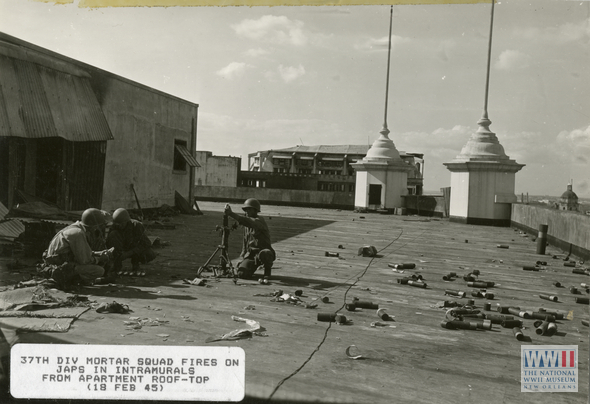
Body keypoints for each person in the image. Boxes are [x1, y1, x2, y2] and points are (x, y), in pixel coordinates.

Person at [42, 208, 113, 288]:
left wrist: (98, 253)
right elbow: (85, 260)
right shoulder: (78, 233)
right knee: (99, 270)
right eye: (98, 226)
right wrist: (100, 258)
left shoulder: (76, 228)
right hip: (58, 269)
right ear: (94, 225)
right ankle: (73, 281)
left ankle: (72, 280)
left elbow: (80, 252)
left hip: (59, 265)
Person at [224, 198, 275, 281]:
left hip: (263, 251)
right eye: (245, 210)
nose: (246, 212)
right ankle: (250, 266)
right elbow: (245, 241)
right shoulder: (246, 226)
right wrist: (243, 257)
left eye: (248, 209)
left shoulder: (259, 221)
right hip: (252, 254)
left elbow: (248, 221)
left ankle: (267, 271)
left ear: (255, 211)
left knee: (266, 253)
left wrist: (231, 214)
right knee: (242, 274)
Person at [106, 208, 156, 275]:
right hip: (121, 249)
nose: (120, 226)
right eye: (118, 224)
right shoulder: (114, 227)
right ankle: (117, 265)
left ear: (127, 221)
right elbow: (108, 243)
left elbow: (146, 243)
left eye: (122, 224)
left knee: (150, 253)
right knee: (113, 235)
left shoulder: (136, 226)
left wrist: (130, 253)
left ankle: (135, 263)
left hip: (133, 249)